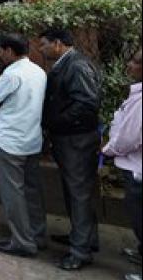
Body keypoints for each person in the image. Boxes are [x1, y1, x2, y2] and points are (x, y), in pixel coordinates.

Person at [39, 29, 102, 270]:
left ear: (58, 44)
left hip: (76, 139)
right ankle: (84, 238)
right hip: (70, 137)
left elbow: (86, 103)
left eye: (44, 45)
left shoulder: (76, 66)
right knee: (76, 191)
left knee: (78, 193)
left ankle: (80, 251)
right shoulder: (69, 64)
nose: (42, 49)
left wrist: (55, 122)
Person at [0, 35, 48, 258]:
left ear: (9, 50)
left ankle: (22, 241)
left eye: (0, 50)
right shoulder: (38, 71)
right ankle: (37, 235)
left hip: (9, 141)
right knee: (32, 191)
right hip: (32, 139)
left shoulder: (12, 74)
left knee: (13, 195)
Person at [102, 49, 142, 280]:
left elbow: (130, 137)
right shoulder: (136, 93)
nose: (129, 65)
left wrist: (108, 150)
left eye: (136, 62)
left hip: (137, 169)